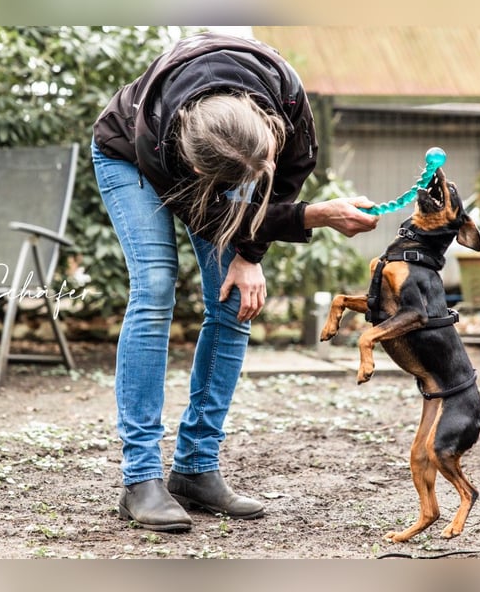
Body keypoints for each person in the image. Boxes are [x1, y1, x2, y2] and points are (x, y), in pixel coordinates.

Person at [91, 31, 379, 532]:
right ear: (203, 170)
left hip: (236, 148)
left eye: (266, 157)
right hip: (128, 157)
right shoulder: (164, 142)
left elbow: (282, 181)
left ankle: (196, 468)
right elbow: (215, 215)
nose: (264, 169)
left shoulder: (285, 98)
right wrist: (314, 217)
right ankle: (140, 479)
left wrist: (249, 255)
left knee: (231, 300)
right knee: (156, 288)